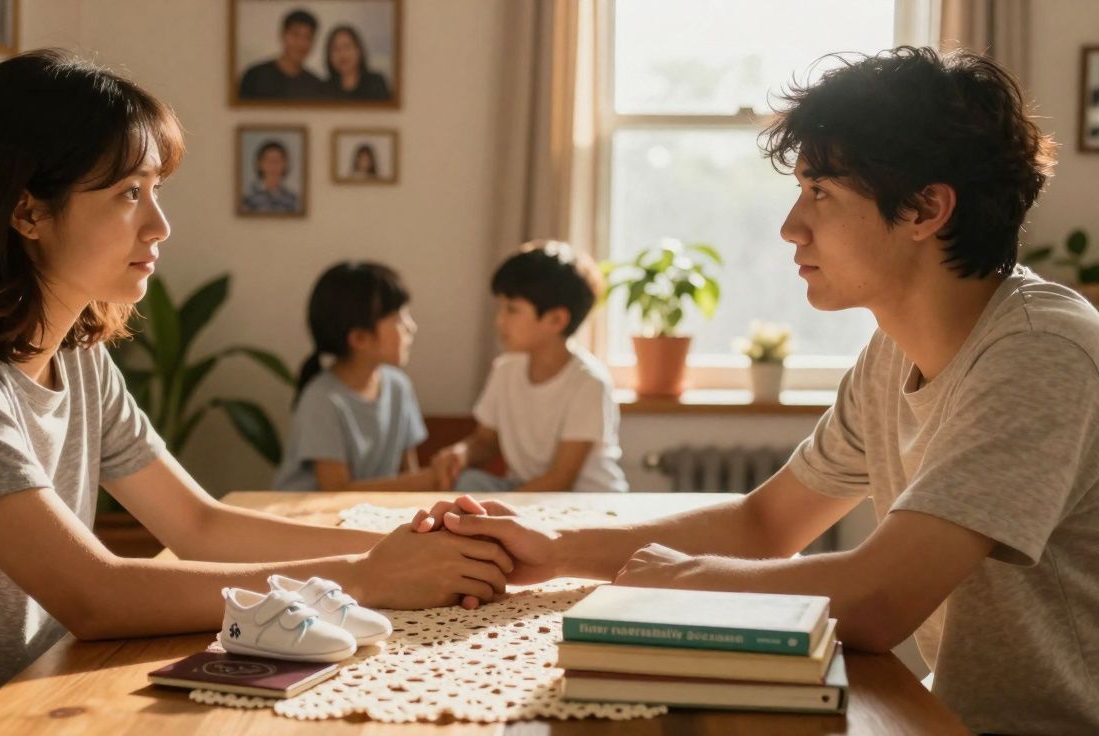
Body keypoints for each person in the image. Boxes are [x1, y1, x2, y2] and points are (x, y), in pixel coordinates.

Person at [0, 49, 512, 733]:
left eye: (156, 191)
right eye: (129, 193)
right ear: (27, 211)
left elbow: (198, 525)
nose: (160, 225)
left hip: (19, 693)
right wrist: (367, 576)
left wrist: (392, 543)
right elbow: (93, 595)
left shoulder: (78, 355)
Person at [416, 47, 1099, 735]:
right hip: (945, 714)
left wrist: (679, 581)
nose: (790, 226)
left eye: (821, 192)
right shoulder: (893, 353)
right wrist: (554, 548)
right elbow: (764, 526)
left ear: (925, 208)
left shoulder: (1042, 350)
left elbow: (880, 598)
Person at [431, 241, 629, 493]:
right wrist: (461, 454)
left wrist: (497, 511)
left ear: (557, 319)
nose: (500, 320)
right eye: (500, 307)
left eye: (512, 310)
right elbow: (485, 442)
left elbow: (560, 479)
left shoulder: (589, 382)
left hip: (585, 501)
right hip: (528, 493)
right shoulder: (505, 370)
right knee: (466, 483)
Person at [274, 262, 440, 492]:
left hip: (366, 515)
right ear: (360, 339)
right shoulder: (322, 400)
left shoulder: (399, 387)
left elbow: (407, 475)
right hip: (307, 519)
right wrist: (432, 479)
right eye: (399, 318)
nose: (411, 327)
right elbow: (335, 491)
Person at [238, 9, 324, 100]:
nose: (301, 43)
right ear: (282, 35)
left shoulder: (316, 85)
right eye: (295, 35)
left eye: (308, 37)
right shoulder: (255, 76)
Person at [323, 25, 391, 101]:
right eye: (335, 49)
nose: (342, 54)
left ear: (359, 51)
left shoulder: (376, 82)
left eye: (347, 47)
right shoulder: (324, 89)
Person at [240, 140, 299, 214]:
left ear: (285, 164)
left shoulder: (292, 200)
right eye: (268, 160)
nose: (273, 165)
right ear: (259, 164)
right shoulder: (247, 198)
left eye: (278, 161)